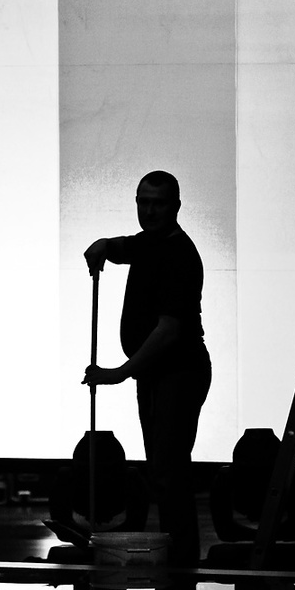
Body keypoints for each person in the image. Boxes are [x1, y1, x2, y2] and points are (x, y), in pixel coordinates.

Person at [83, 170, 211, 564]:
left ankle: (182, 564)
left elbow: (168, 331)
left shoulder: (179, 254)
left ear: (176, 206)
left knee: (169, 471)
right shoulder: (148, 243)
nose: (149, 210)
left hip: (179, 372)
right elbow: (122, 247)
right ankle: (178, 560)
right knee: (162, 470)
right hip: (156, 375)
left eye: (158, 203)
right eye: (143, 202)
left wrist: (118, 372)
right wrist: (103, 246)